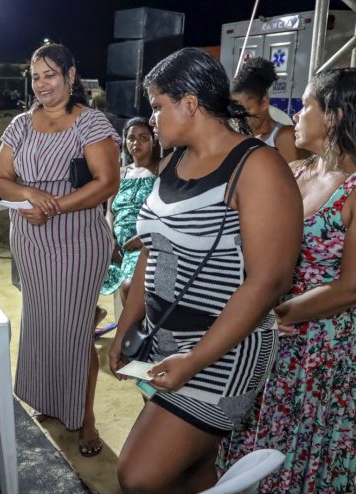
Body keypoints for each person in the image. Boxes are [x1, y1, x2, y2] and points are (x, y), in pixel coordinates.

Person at [109, 48, 303, 493]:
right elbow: (151, 251)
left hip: (223, 354)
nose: (152, 120)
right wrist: (127, 324)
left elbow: (269, 279)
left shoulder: (257, 168)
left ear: (190, 104)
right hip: (166, 344)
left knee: (138, 476)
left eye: (158, 106)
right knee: (190, 470)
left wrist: (195, 360)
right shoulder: (172, 162)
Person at [220, 68, 356, 493]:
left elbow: (351, 287)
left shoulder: (354, 191)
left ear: (333, 116)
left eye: (307, 104)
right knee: (253, 436)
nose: (296, 112)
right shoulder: (294, 172)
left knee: (300, 446)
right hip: (269, 332)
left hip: (321, 347)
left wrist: (269, 313)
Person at [0, 43, 120, 457]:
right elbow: (1, 178)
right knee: (43, 325)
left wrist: (52, 206)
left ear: (70, 75)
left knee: (75, 331)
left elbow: (106, 183)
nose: (42, 84)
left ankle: (85, 419)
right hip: (30, 240)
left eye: (50, 74)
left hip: (78, 239)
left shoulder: (91, 123)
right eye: (35, 76)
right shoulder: (20, 125)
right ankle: (49, 402)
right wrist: (28, 192)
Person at [102, 117, 159, 305]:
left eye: (143, 138)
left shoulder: (162, 170)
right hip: (116, 246)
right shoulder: (120, 173)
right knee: (78, 273)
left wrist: (143, 238)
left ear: (153, 140)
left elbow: (167, 212)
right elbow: (109, 211)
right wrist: (110, 239)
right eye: (131, 138)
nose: (136, 143)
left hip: (144, 245)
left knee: (129, 286)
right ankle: (93, 315)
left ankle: (133, 331)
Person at [231, 57, 304, 163]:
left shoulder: (284, 136)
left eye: (245, 110)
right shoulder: (244, 138)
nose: (238, 118)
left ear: (264, 102)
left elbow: (293, 177)